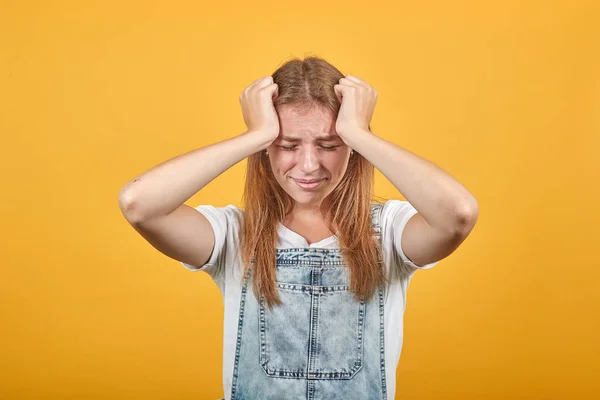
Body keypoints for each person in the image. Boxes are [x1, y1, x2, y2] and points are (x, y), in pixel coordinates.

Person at [118, 56, 479, 400]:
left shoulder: (388, 231)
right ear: (266, 149)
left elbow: (458, 214)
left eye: (329, 145)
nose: (308, 165)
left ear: (350, 147)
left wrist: (361, 134)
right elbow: (139, 205)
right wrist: (253, 137)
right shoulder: (235, 235)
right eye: (287, 145)